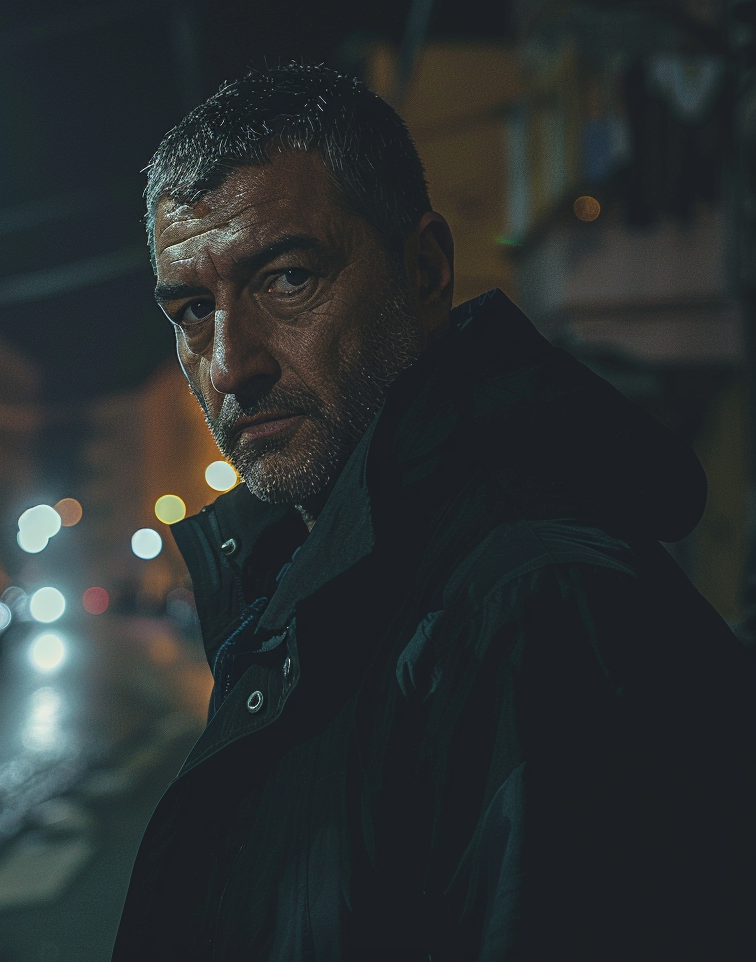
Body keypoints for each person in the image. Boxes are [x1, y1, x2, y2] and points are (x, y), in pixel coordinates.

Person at [111, 64, 756, 961]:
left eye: (287, 278)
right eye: (190, 309)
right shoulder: (309, 593)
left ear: (425, 269)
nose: (230, 364)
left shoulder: (533, 611)